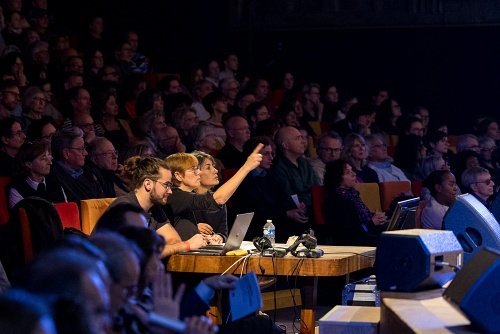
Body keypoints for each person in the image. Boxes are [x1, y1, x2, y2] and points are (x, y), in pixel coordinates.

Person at [106, 156, 206, 257]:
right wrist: (187, 245)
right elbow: (139, 254)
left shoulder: (155, 208)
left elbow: (174, 240)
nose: (170, 191)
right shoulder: (125, 208)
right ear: (148, 184)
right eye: (166, 185)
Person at [165, 144, 263, 242]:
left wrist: (210, 237)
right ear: (178, 175)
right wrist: (246, 167)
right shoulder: (173, 195)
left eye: (198, 169)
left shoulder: (184, 198)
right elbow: (217, 199)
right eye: (193, 169)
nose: (198, 172)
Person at [323, 160, 387, 246]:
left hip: (366, 235)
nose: (354, 174)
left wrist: (377, 218)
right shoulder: (335, 201)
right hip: (354, 243)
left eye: (352, 170)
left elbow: (361, 219)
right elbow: (349, 234)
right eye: (348, 172)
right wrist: (372, 223)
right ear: (337, 178)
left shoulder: (352, 194)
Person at [273, 126, 318, 236]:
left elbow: (315, 187)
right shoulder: (277, 167)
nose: (303, 142)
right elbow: (287, 194)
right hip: (293, 217)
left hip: (312, 210)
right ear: (285, 145)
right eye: (298, 138)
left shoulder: (304, 163)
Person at [50, 127, 105, 201]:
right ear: (66, 153)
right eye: (80, 149)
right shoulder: (54, 179)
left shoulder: (88, 171)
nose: (86, 153)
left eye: (84, 148)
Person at [8, 140, 66, 208]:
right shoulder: (17, 190)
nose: (50, 163)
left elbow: (65, 212)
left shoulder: (55, 185)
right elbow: (22, 217)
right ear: (29, 164)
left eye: (48, 156)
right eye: (43, 158)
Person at [192, 150, 228, 242]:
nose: (215, 170)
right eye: (208, 168)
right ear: (195, 172)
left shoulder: (219, 199)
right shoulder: (185, 199)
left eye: (213, 166)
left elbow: (223, 233)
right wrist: (192, 228)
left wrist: (219, 237)